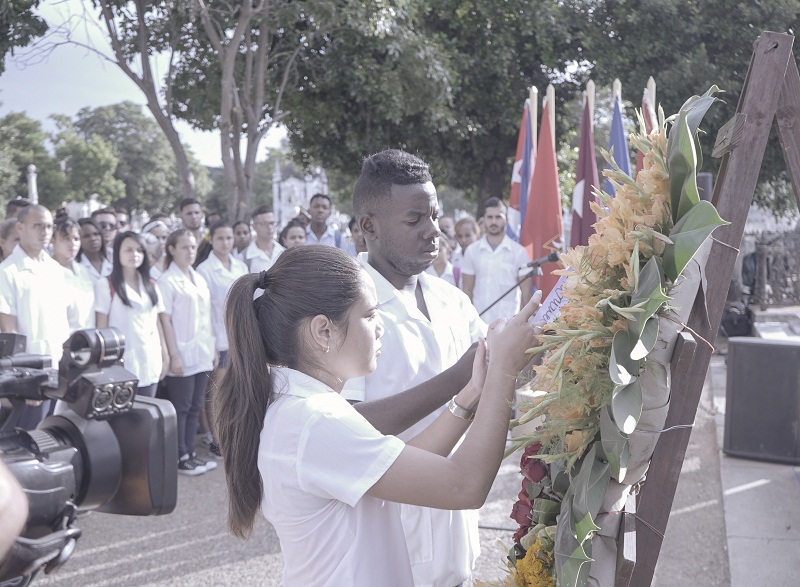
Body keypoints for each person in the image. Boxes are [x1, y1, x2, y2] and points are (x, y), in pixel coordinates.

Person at [212, 246, 541, 586]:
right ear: (323, 331)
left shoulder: (307, 407)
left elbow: (401, 465)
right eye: (369, 316)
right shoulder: (314, 420)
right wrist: (504, 369)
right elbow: (464, 485)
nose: (380, 327)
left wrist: (470, 394)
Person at [344, 149, 488, 586]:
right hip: (388, 542)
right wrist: (460, 378)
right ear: (369, 227)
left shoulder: (452, 300)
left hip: (454, 531)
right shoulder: (341, 309)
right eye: (415, 220)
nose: (434, 233)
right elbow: (343, 426)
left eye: (436, 216)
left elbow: (494, 381)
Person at [0, 205, 72, 429]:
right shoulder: (8, 272)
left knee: (53, 439)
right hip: (31, 374)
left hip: (59, 370)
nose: (45, 231)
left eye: (49, 226)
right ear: (20, 228)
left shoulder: (55, 269)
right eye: (38, 225)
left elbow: (62, 323)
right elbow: (8, 331)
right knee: (28, 444)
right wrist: (26, 381)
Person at [158, 229, 217, 475]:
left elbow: (208, 317)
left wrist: (213, 348)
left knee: (194, 406)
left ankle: (190, 453)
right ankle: (180, 455)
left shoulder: (198, 277)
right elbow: (164, 320)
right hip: (181, 352)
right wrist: (173, 355)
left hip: (202, 352)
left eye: (193, 247)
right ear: (172, 249)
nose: (190, 251)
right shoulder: (166, 281)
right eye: (185, 247)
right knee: (181, 407)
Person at [196, 221, 248, 457]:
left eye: (229, 238)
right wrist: (213, 343)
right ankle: (216, 438)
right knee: (217, 390)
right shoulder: (204, 271)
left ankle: (232, 433)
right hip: (218, 338)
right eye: (220, 238)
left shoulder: (239, 265)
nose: (226, 243)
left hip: (238, 336)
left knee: (235, 390)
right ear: (212, 240)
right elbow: (204, 311)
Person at [95, 231, 168, 398]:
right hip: (121, 365)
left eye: (139, 250)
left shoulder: (151, 285)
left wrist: (165, 354)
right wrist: (103, 365)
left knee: (148, 415)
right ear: (117, 253)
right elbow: (101, 327)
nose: (134, 254)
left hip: (150, 359)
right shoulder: (106, 285)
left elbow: (156, 323)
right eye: (128, 250)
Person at [461, 197, 533, 323]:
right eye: (490, 217)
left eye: (498, 217)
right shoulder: (472, 251)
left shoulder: (519, 252)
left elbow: (526, 292)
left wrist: (520, 323)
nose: (494, 221)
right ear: (484, 220)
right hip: (479, 323)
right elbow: (467, 290)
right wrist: (470, 321)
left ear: (506, 219)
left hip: (509, 325)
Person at [52, 217, 95, 330]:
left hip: (89, 338)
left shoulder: (83, 271)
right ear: (53, 240)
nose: (72, 244)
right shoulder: (47, 272)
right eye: (66, 239)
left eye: (76, 239)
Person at [241, 205, 284, 273]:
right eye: (265, 223)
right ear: (254, 226)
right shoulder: (245, 257)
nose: (269, 227)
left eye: (272, 223)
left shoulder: (283, 252)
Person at [178, 198, 212, 267]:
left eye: (197, 213)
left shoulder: (210, 237)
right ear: (181, 215)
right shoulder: (176, 239)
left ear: (202, 214)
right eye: (189, 213)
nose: (193, 216)